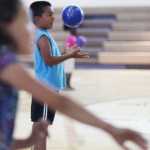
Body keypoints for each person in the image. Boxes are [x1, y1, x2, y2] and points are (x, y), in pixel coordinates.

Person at [0, 0, 148, 150]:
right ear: (6, 25)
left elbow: (3, 141)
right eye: (26, 22)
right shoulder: (6, 65)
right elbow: (62, 102)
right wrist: (111, 129)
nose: (31, 29)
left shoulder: (9, 63)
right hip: (47, 85)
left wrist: (29, 140)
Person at [30, 1, 89, 149]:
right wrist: (68, 56)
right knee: (42, 128)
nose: (53, 17)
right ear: (37, 18)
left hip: (48, 89)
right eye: (49, 14)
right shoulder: (42, 37)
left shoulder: (46, 35)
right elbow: (49, 61)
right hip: (45, 90)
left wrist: (68, 54)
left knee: (40, 126)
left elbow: (52, 57)